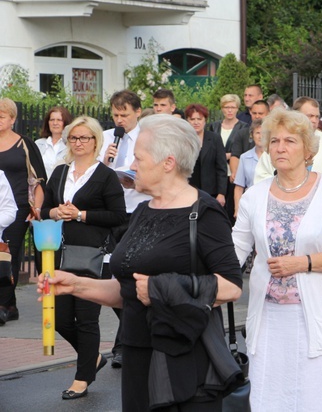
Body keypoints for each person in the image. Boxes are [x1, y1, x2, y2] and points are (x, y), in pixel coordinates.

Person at [39, 115, 243, 411]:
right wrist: (76, 285)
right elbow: (129, 290)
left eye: (138, 158)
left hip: (184, 357)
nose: (132, 166)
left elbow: (232, 287)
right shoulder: (145, 211)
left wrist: (164, 287)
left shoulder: (205, 213)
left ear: (167, 163)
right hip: (137, 350)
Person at [233, 109, 322, 410]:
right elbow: (235, 249)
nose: (280, 147)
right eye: (274, 140)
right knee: (268, 399)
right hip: (267, 319)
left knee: (313, 400)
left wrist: (303, 262)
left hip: (314, 316)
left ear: (308, 149)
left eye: (290, 140)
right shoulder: (255, 195)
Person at [40, 116, 128, 399]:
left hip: (93, 255)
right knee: (63, 319)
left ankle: (82, 378)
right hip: (61, 254)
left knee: (87, 319)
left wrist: (80, 214)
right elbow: (44, 211)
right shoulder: (60, 172)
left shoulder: (105, 175)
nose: (78, 143)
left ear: (95, 141)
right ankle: (92, 359)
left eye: (84, 138)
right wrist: (56, 212)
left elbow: (118, 216)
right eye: (74, 138)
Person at [97, 90, 150, 367]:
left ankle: (123, 345)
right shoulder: (107, 137)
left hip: (141, 210)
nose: (119, 120)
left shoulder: (149, 136)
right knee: (112, 274)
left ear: (138, 112)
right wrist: (106, 160)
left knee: (132, 275)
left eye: (125, 115)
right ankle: (128, 337)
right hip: (113, 212)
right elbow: (94, 176)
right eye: (116, 115)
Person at [0, 98, 46, 325]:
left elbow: (38, 180)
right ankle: (11, 304)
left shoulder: (24, 144)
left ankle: (2, 305)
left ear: (12, 119)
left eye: (1, 116)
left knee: (8, 255)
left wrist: (36, 208)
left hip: (16, 209)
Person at [253, 97, 322, 182]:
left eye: (317, 117)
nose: (314, 120)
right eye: (310, 116)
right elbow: (261, 175)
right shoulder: (277, 137)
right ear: (296, 115)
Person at [207, 94, 248, 219]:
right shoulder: (214, 126)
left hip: (233, 172)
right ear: (222, 108)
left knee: (230, 207)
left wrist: (229, 155)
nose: (229, 110)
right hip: (216, 171)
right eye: (226, 107)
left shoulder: (244, 127)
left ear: (237, 109)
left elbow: (243, 149)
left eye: (233, 107)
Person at [185, 104, 228, 206]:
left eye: (199, 119)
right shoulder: (183, 140)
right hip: (188, 190)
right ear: (187, 120)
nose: (196, 122)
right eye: (192, 119)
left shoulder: (214, 138)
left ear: (205, 120)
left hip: (211, 192)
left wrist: (221, 193)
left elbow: (221, 167)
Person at [233, 119, 264, 217]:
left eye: (264, 133)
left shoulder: (275, 156)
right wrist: (237, 209)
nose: (260, 136)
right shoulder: (244, 157)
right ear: (252, 135)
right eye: (257, 133)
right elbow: (239, 187)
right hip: (250, 204)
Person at [35, 106, 73, 176]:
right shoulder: (38, 144)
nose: (55, 123)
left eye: (59, 120)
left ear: (66, 122)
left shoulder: (71, 145)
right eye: (52, 120)